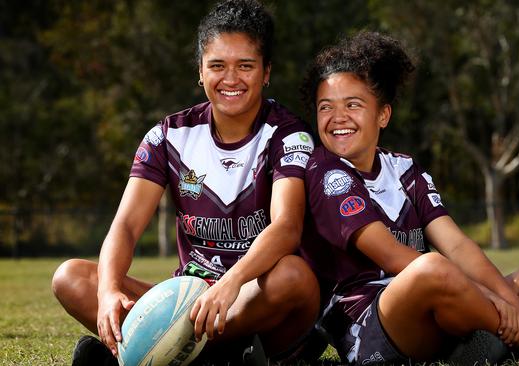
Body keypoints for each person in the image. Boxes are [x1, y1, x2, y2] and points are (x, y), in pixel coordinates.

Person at [299, 31, 519, 365]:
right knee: (431, 268)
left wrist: (514, 303)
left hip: (445, 307)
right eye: (326, 107)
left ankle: (482, 348)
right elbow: (394, 257)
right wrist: (488, 297)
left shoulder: (403, 168)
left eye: (353, 105)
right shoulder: (325, 171)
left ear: (383, 114)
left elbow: (456, 245)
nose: (338, 118)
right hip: (372, 326)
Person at [51, 1, 321, 365]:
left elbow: (287, 227)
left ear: (266, 72)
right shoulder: (169, 136)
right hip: (189, 299)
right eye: (217, 66)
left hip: (253, 295)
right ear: (200, 71)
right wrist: (110, 290)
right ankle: (216, 356)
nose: (231, 79)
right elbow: (127, 226)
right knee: (71, 278)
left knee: (295, 277)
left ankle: (169, 353)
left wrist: (231, 283)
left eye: (245, 66)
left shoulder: (289, 136)